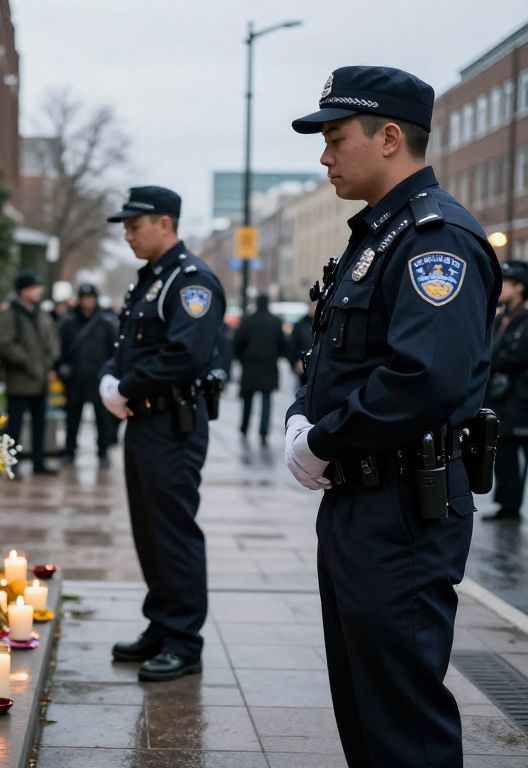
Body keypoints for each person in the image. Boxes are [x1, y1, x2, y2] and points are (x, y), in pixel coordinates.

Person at [284, 66, 500, 767]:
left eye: (335, 138)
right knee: (366, 708)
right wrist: (301, 417)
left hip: (404, 507)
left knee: (402, 721)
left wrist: (322, 440)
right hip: (361, 501)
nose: (324, 156)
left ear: (388, 137)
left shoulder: (435, 240)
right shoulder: (378, 236)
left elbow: (422, 378)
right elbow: (334, 357)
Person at [99, 186, 226, 682]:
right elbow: (127, 343)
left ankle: (183, 640)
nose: (128, 234)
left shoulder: (191, 281)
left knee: (173, 533)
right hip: (145, 421)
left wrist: (124, 386)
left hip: (173, 425)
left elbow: (184, 355)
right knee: (149, 532)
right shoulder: (152, 280)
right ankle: (162, 622)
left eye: (135, 224)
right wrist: (112, 378)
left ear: (165, 224)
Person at [0, 270, 61, 475]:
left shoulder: (42, 314)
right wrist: (29, 363)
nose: (39, 291)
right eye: (34, 288)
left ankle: (39, 462)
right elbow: (5, 344)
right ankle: (11, 463)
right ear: (23, 291)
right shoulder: (11, 315)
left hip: (40, 381)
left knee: (39, 423)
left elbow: (53, 342)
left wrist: (48, 363)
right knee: (14, 425)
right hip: (19, 381)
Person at [485, 260, 528, 521]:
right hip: (503, 400)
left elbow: (518, 356)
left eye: (508, 284)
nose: (502, 289)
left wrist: (493, 362)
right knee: (504, 454)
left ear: (521, 288)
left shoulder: (525, 321)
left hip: (522, 400)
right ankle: (508, 506)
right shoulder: (500, 320)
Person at [58, 283, 118, 468]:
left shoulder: (106, 323)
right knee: (72, 419)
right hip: (75, 379)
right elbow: (61, 348)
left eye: (91, 297)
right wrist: (62, 367)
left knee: (102, 419)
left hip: (98, 379)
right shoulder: (68, 323)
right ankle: (70, 451)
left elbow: (113, 351)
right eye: (85, 298)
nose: (88, 301)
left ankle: (103, 452)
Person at [234, 294, 287, 446]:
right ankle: (263, 432)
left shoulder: (248, 320)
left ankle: (244, 427)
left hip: (250, 366)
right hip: (269, 366)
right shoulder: (275, 322)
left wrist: (242, 358)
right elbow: (283, 344)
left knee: (247, 400)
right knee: (266, 400)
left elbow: (238, 342)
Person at [288, 302, 316, 387]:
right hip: (304, 367)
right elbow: (293, 345)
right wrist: (296, 361)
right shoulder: (300, 325)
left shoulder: (326, 323)